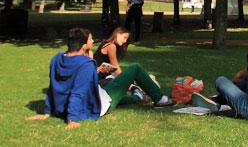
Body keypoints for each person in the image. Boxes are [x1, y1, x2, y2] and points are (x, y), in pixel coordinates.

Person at [26, 28, 175, 129]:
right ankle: (161, 99)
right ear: (84, 45)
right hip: (98, 103)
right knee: (135, 68)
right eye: (90, 39)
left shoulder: (57, 58)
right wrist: (72, 119)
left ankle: (139, 96)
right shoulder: (85, 64)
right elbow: (78, 92)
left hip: (91, 97)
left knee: (113, 89)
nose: (93, 41)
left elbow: (54, 87)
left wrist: (47, 112)